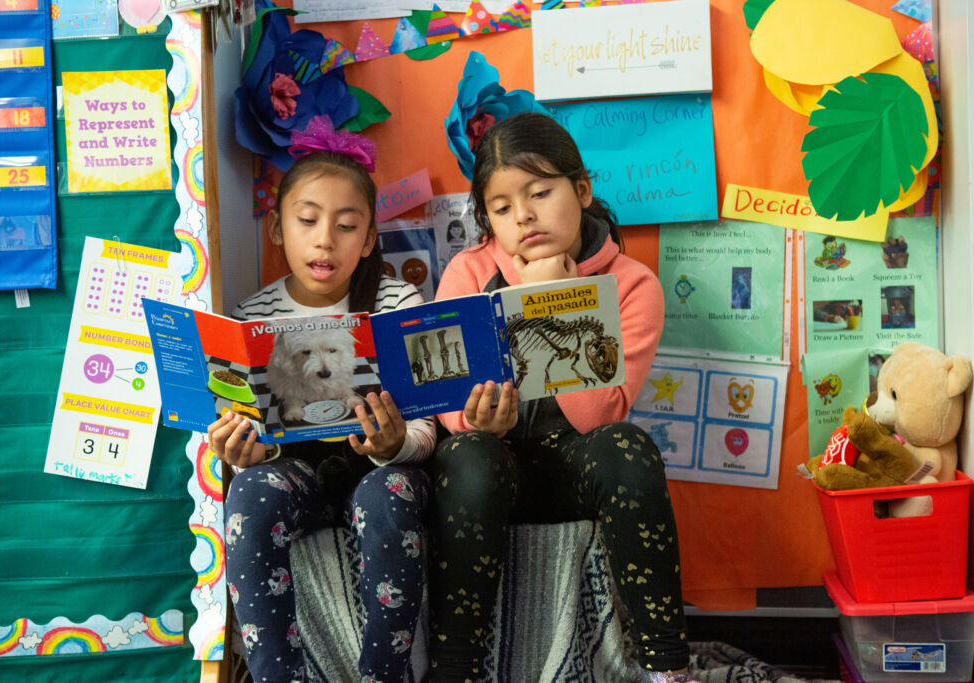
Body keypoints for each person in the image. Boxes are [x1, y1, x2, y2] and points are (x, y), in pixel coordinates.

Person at [427, 111, 692, 681]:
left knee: (627, 446)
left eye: (540, 192)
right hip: (492, 472)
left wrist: (557, 299)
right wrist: (472, 419)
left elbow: (601, 413)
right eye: (502, 208)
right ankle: (456, 668)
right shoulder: (469, 273)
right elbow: (448, 408)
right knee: (468, 455)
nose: (523, 216)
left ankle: (666, 667)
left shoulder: (632, 285)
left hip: (577, 467)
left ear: (582, 189)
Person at [208, 116, 435, 683]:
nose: (325, 239)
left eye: (346, 225)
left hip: (379, 468)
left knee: (391, 492)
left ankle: (384, 675)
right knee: (252, 492)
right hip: (294, 473)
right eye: (307, 220)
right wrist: (238, 451)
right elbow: (232, 430)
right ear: (278, 230)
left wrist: (395, 443)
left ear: (368, 240)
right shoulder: (250, 317)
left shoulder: (398, 300)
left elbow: (430, 425)